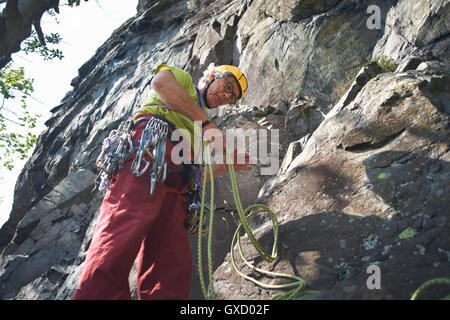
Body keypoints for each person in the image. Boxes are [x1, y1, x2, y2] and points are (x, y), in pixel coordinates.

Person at [73, 64, 252, 300]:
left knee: (171, 263)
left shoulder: (202, 132)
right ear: (211, 76)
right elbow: (161, 84)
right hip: (148, 153)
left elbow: (198, 175)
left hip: (178, 184)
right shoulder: (183, 81)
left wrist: (226, 165)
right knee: (118, 239)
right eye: (227, 86)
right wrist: (206, 124)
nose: (226, 96)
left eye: (232, 97)